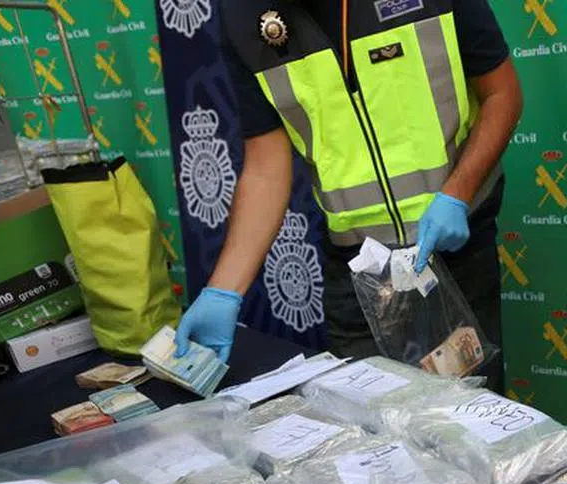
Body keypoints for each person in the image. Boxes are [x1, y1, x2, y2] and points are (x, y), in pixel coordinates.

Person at [177, 0, 522, 389]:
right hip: (356, 277)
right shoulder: (242, 16)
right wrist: (223, 290)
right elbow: (265, 167)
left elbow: (502, 94)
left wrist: (457, 194)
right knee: (371, 434)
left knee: (470, 428)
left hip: (454, 259)